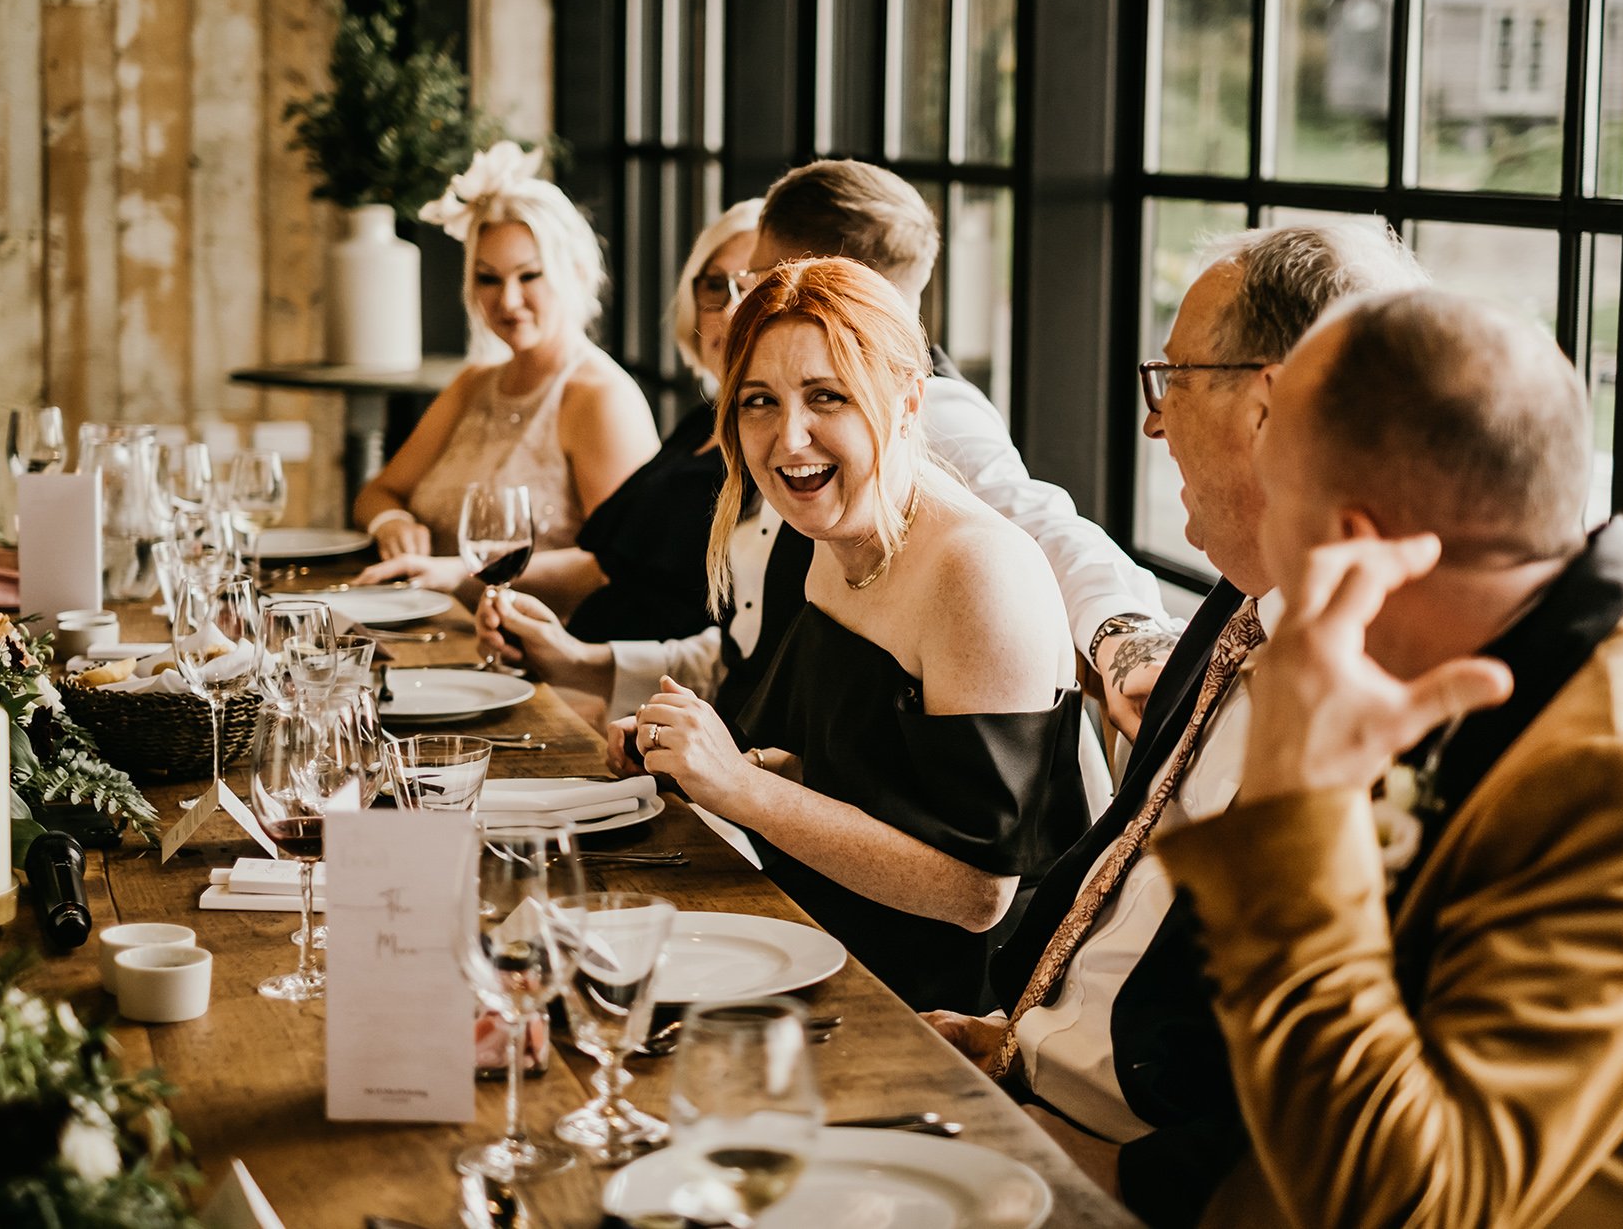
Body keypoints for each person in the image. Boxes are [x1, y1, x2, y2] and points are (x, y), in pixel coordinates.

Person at [1155, 290, 1623, 1226]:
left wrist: (1292, 803)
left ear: (1353, 546)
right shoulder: (1548, 641)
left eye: (1276, 495)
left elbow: (1408, 1207)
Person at [921, 224, 1430, 1228]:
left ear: (1267, 404)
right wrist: (1011, 1038)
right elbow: (1123, 891)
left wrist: (1088, 1167)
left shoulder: (1392, 689)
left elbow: (1340, 1104)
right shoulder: (1237, 605)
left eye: (1173, 380)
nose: (1152, 426)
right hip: (1021, 1091)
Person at [483, 160, 1173, 765]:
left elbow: (1040, 521)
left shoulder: (929, 418)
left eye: (760, 279)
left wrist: (1123, 635)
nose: (743, 307)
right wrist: (592, 669)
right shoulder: (778, 437)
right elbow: (750, 655)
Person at [615, 257, 1093, 1013]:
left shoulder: (977, 571)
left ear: (908, 399)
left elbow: (977, 894)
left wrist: (740, 787)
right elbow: (867, 777)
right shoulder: (827, 533)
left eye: (826, 397)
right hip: (807, 934)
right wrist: (705, 757)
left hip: (938, 1008)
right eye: (759, 401)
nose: (787, 438)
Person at [351, 142, 659, 591]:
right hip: (426, 628)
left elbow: (616, 563)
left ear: (575, 271)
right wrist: (391, 522)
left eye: (529, 275)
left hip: (537, 647)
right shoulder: (474, 384)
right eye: (488, 278)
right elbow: (375, 493)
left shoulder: (599, 397)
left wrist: (462, 574)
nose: (507, 301)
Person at [474, 201, 763, 662]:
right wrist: (539, 637)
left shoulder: (776, 455)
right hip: (575, 668)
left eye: (756, 286)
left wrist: (572, 662)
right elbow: (616, 574)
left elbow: (721, 652)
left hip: (641, 701)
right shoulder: (699, 425)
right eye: (716, 285)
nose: (729, 310)